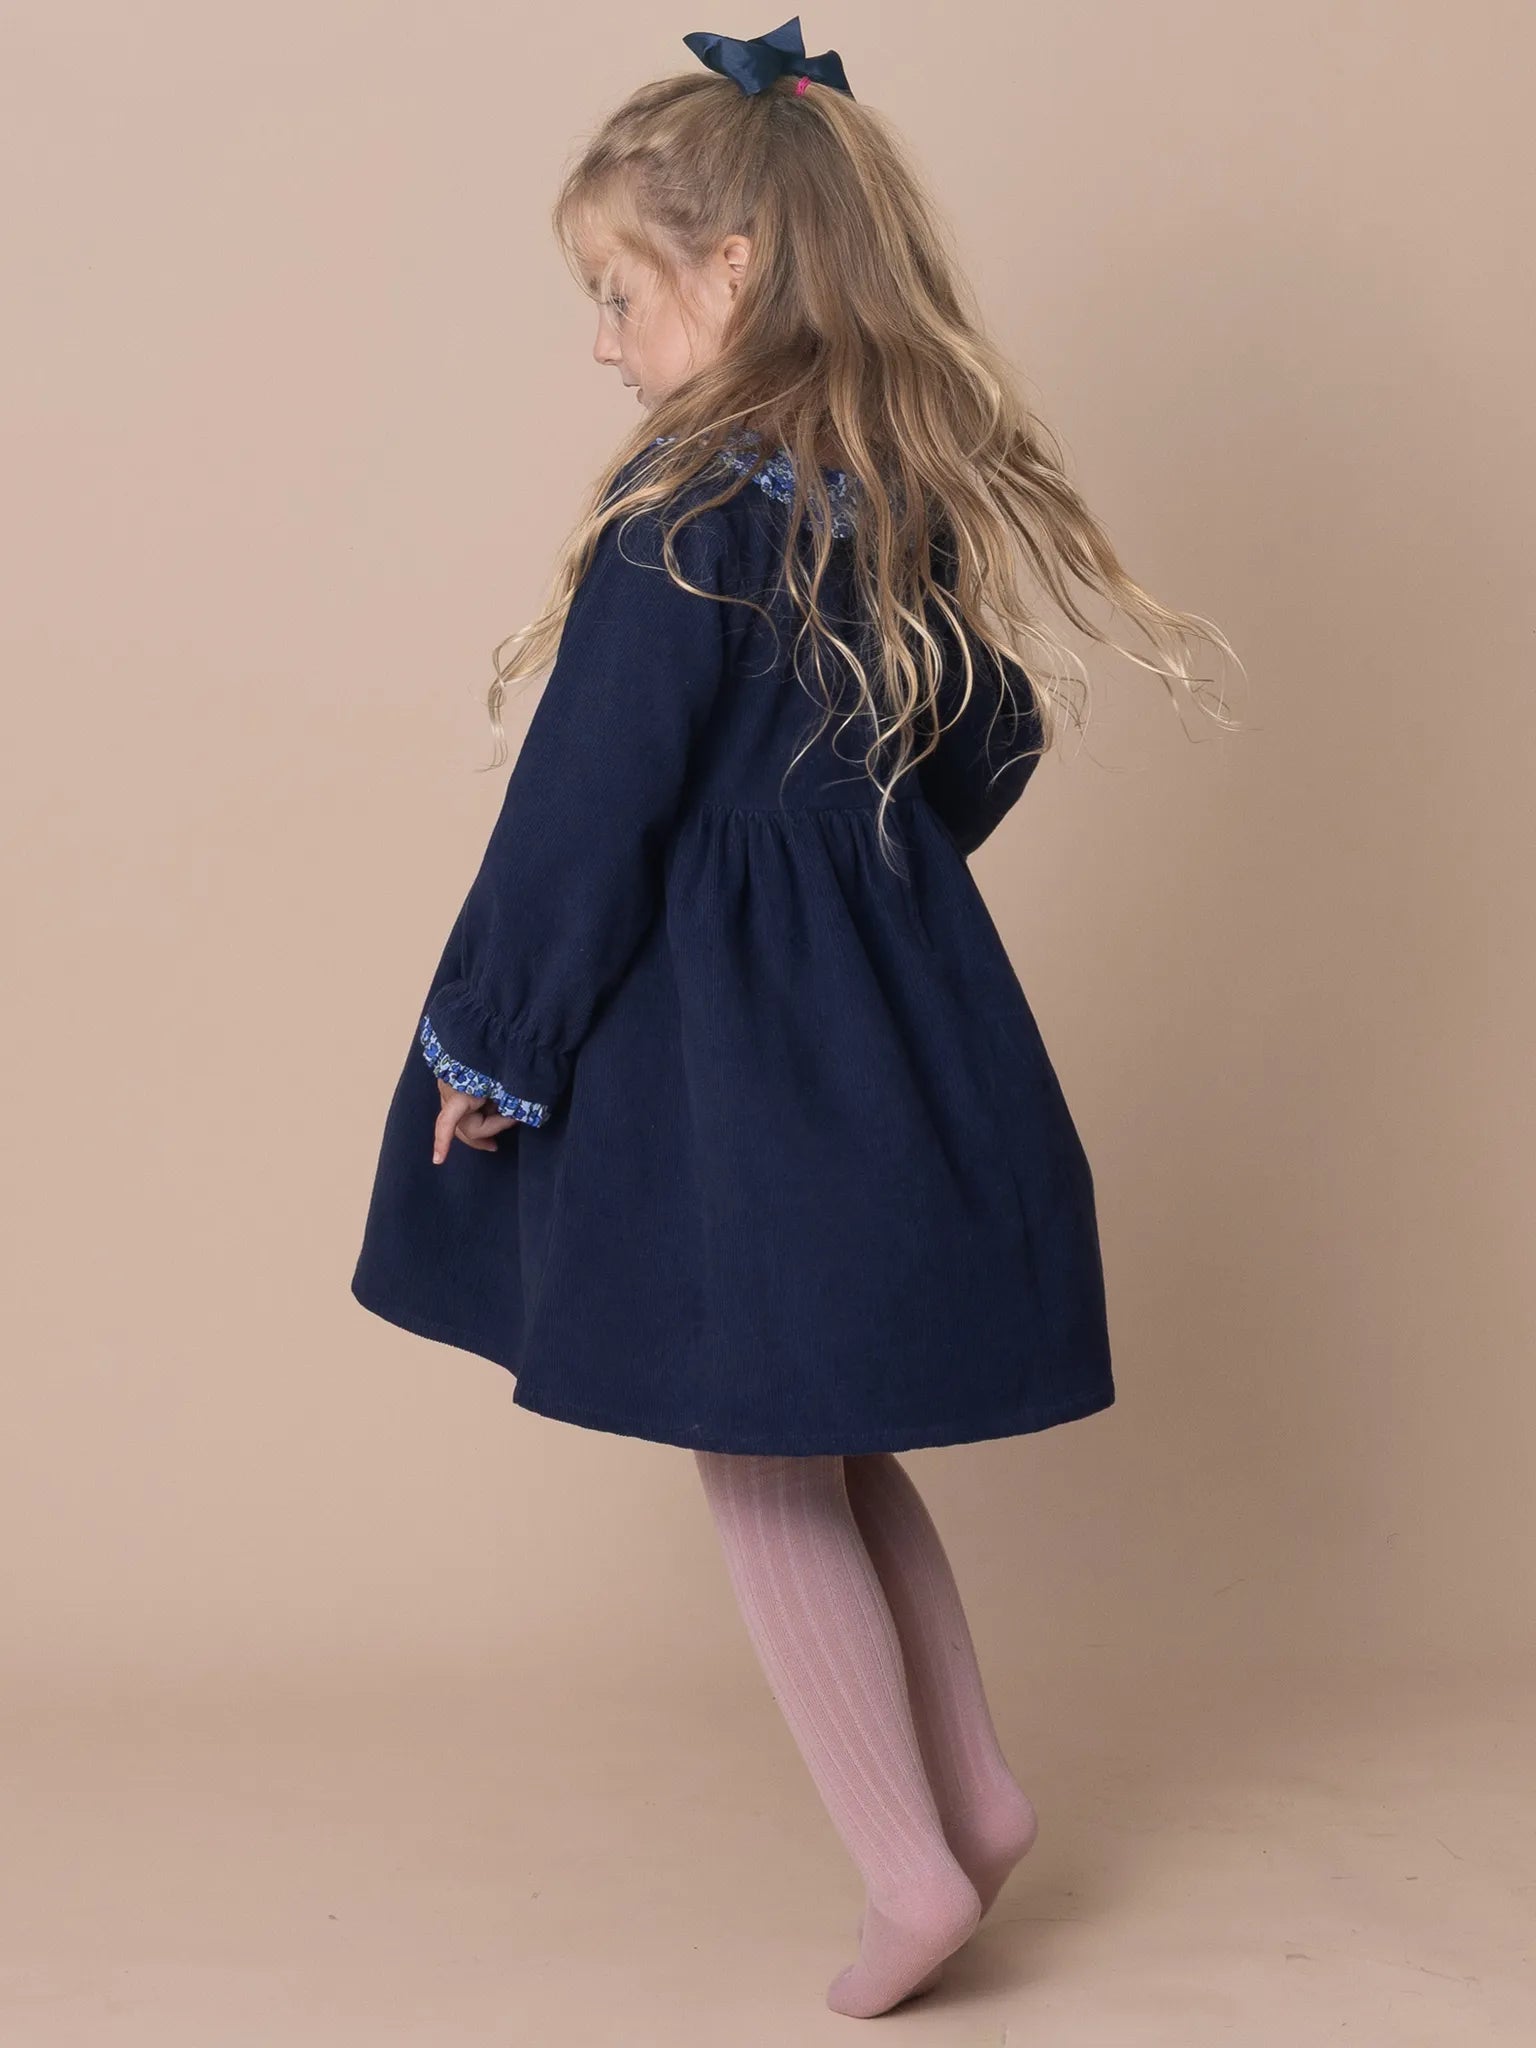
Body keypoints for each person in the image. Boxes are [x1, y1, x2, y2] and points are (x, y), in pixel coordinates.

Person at [350, 16, 1237, 2019]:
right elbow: (985, 733)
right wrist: (856, 867)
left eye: (616, 291)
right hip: (884, 1037)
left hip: (734, 1077)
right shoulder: (873, 496)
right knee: (819, 1433)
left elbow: (585, 814)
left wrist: (493, 1050)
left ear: (730, 274)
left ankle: (911, 1867)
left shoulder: (683, 521)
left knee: (759, 1454)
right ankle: (981, 1794)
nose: (600, 340)